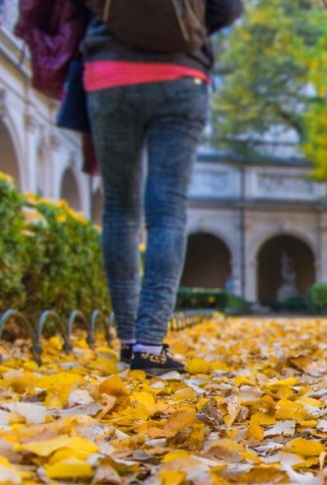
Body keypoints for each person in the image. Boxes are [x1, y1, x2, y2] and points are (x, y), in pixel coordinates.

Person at [83, 0, 244, 374]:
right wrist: (187, 28)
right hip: (181, 73)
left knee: (120, 208)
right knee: (167, 210)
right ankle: (150, 344)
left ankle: (127, 340)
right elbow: (230, 8)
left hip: (110, 71)